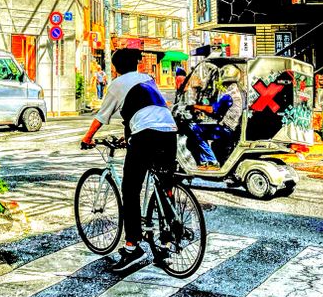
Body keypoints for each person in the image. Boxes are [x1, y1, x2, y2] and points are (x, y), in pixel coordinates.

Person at [80, 47, 177, 274]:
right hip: (169, 131)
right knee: (165, 185)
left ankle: (133, 247)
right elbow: (148, 110)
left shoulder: (117, 84)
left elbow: (101, 116)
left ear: (116, 68)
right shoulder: (148, 79)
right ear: (136, 65)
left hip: (145, 136)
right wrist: (130, 137)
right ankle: (167, 240)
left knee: (130, 189)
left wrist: (87, 138)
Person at [189, 64, 245, 165]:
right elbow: (218, 111)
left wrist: (195, 106)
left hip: (227, 129)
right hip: (234, 128)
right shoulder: (239, 91)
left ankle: (211, 160)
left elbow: (212, 109)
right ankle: (206, 160)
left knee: (195, 129)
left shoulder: (230, 94)